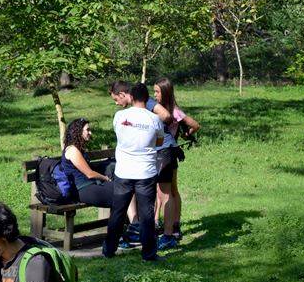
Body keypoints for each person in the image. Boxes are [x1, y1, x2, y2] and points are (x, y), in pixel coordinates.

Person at [102, 80, 165, 260]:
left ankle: (108, 250)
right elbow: (158, 142)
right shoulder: (154, 119)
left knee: (118, 213)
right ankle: (149, 254)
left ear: (131, 97)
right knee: (146, 214)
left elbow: (119, 136)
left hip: (123, 172)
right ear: (147, 98)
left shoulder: (119, 117)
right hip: (146, 173)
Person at [151, 78, 198, 248]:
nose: (155, 95)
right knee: (166, 191)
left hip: (167, 153)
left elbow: (195, 125)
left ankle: (172, 225)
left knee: (169, 191)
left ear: (166, 92)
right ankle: (166, 224)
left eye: (157, 91)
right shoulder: (160, 109)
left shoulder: (174, 111)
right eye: (154, 91)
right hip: (164, 153)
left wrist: (186, 135)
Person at [54, 118, 124, 210]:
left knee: (126, 189)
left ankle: (132, 223)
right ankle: (128, 223)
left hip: (91, 186)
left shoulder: (77, 149)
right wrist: (106, 178)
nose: (90, 133)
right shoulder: (72, 150)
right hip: (83, 190)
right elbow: (89, 174)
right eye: (87, 130)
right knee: (124, 192)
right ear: (78, 132)